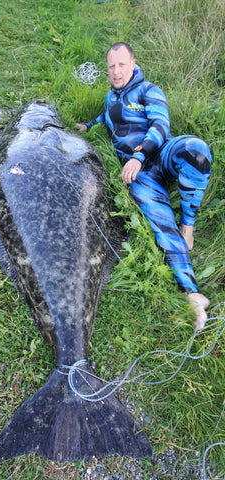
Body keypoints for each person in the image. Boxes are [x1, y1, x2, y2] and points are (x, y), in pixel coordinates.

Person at [75, 42, 212, 329]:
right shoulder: (110, 98)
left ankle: (188, 224)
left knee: (196, 149)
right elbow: (104, 117)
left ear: (133, 64)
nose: (116, 72)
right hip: (140, 175)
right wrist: (87, 126)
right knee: (160, 223)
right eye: (111, 66)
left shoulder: (149, 90)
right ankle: (193, 292)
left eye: (121, 65)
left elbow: (160, 126)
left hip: (159, 154)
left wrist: (139, 155)